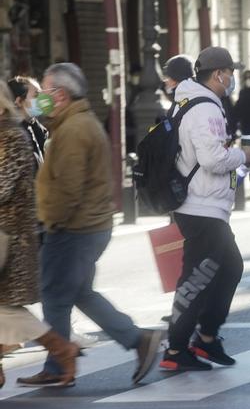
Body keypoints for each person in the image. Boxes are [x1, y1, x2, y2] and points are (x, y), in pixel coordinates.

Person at [16, 63, 162, 387]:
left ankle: (58, 367)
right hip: (86, 226)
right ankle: (138, 340)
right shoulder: (73, 124)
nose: (39, 98)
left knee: (55, 294)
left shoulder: (74, 130)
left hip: (73, 229)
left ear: (61, 94)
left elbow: (67, 188)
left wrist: (49, 221)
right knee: (79, 292)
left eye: (44, 91)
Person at [158, 47, 250, 372]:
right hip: (201, 205)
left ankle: (206, 338)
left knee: (229, 267)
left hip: (202, 205)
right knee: (199, 276)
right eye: (230, 73)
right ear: (219, 74)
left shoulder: (193, 102)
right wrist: (244, 156)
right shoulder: (206, 109)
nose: (232, 79)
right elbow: (212, 159)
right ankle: (176, 349)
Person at [0, 80, 79, 389]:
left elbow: (2, 187)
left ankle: (62, 348)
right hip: (9, 235)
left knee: (7, 308)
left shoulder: (10, 137)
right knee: (5, 307)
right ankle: (62, 349)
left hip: (9, 238)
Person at [7, 76, 48, 170]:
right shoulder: (12, 137)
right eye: (36, 95)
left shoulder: (37, 131)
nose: (42, 99)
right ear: (19, 101)